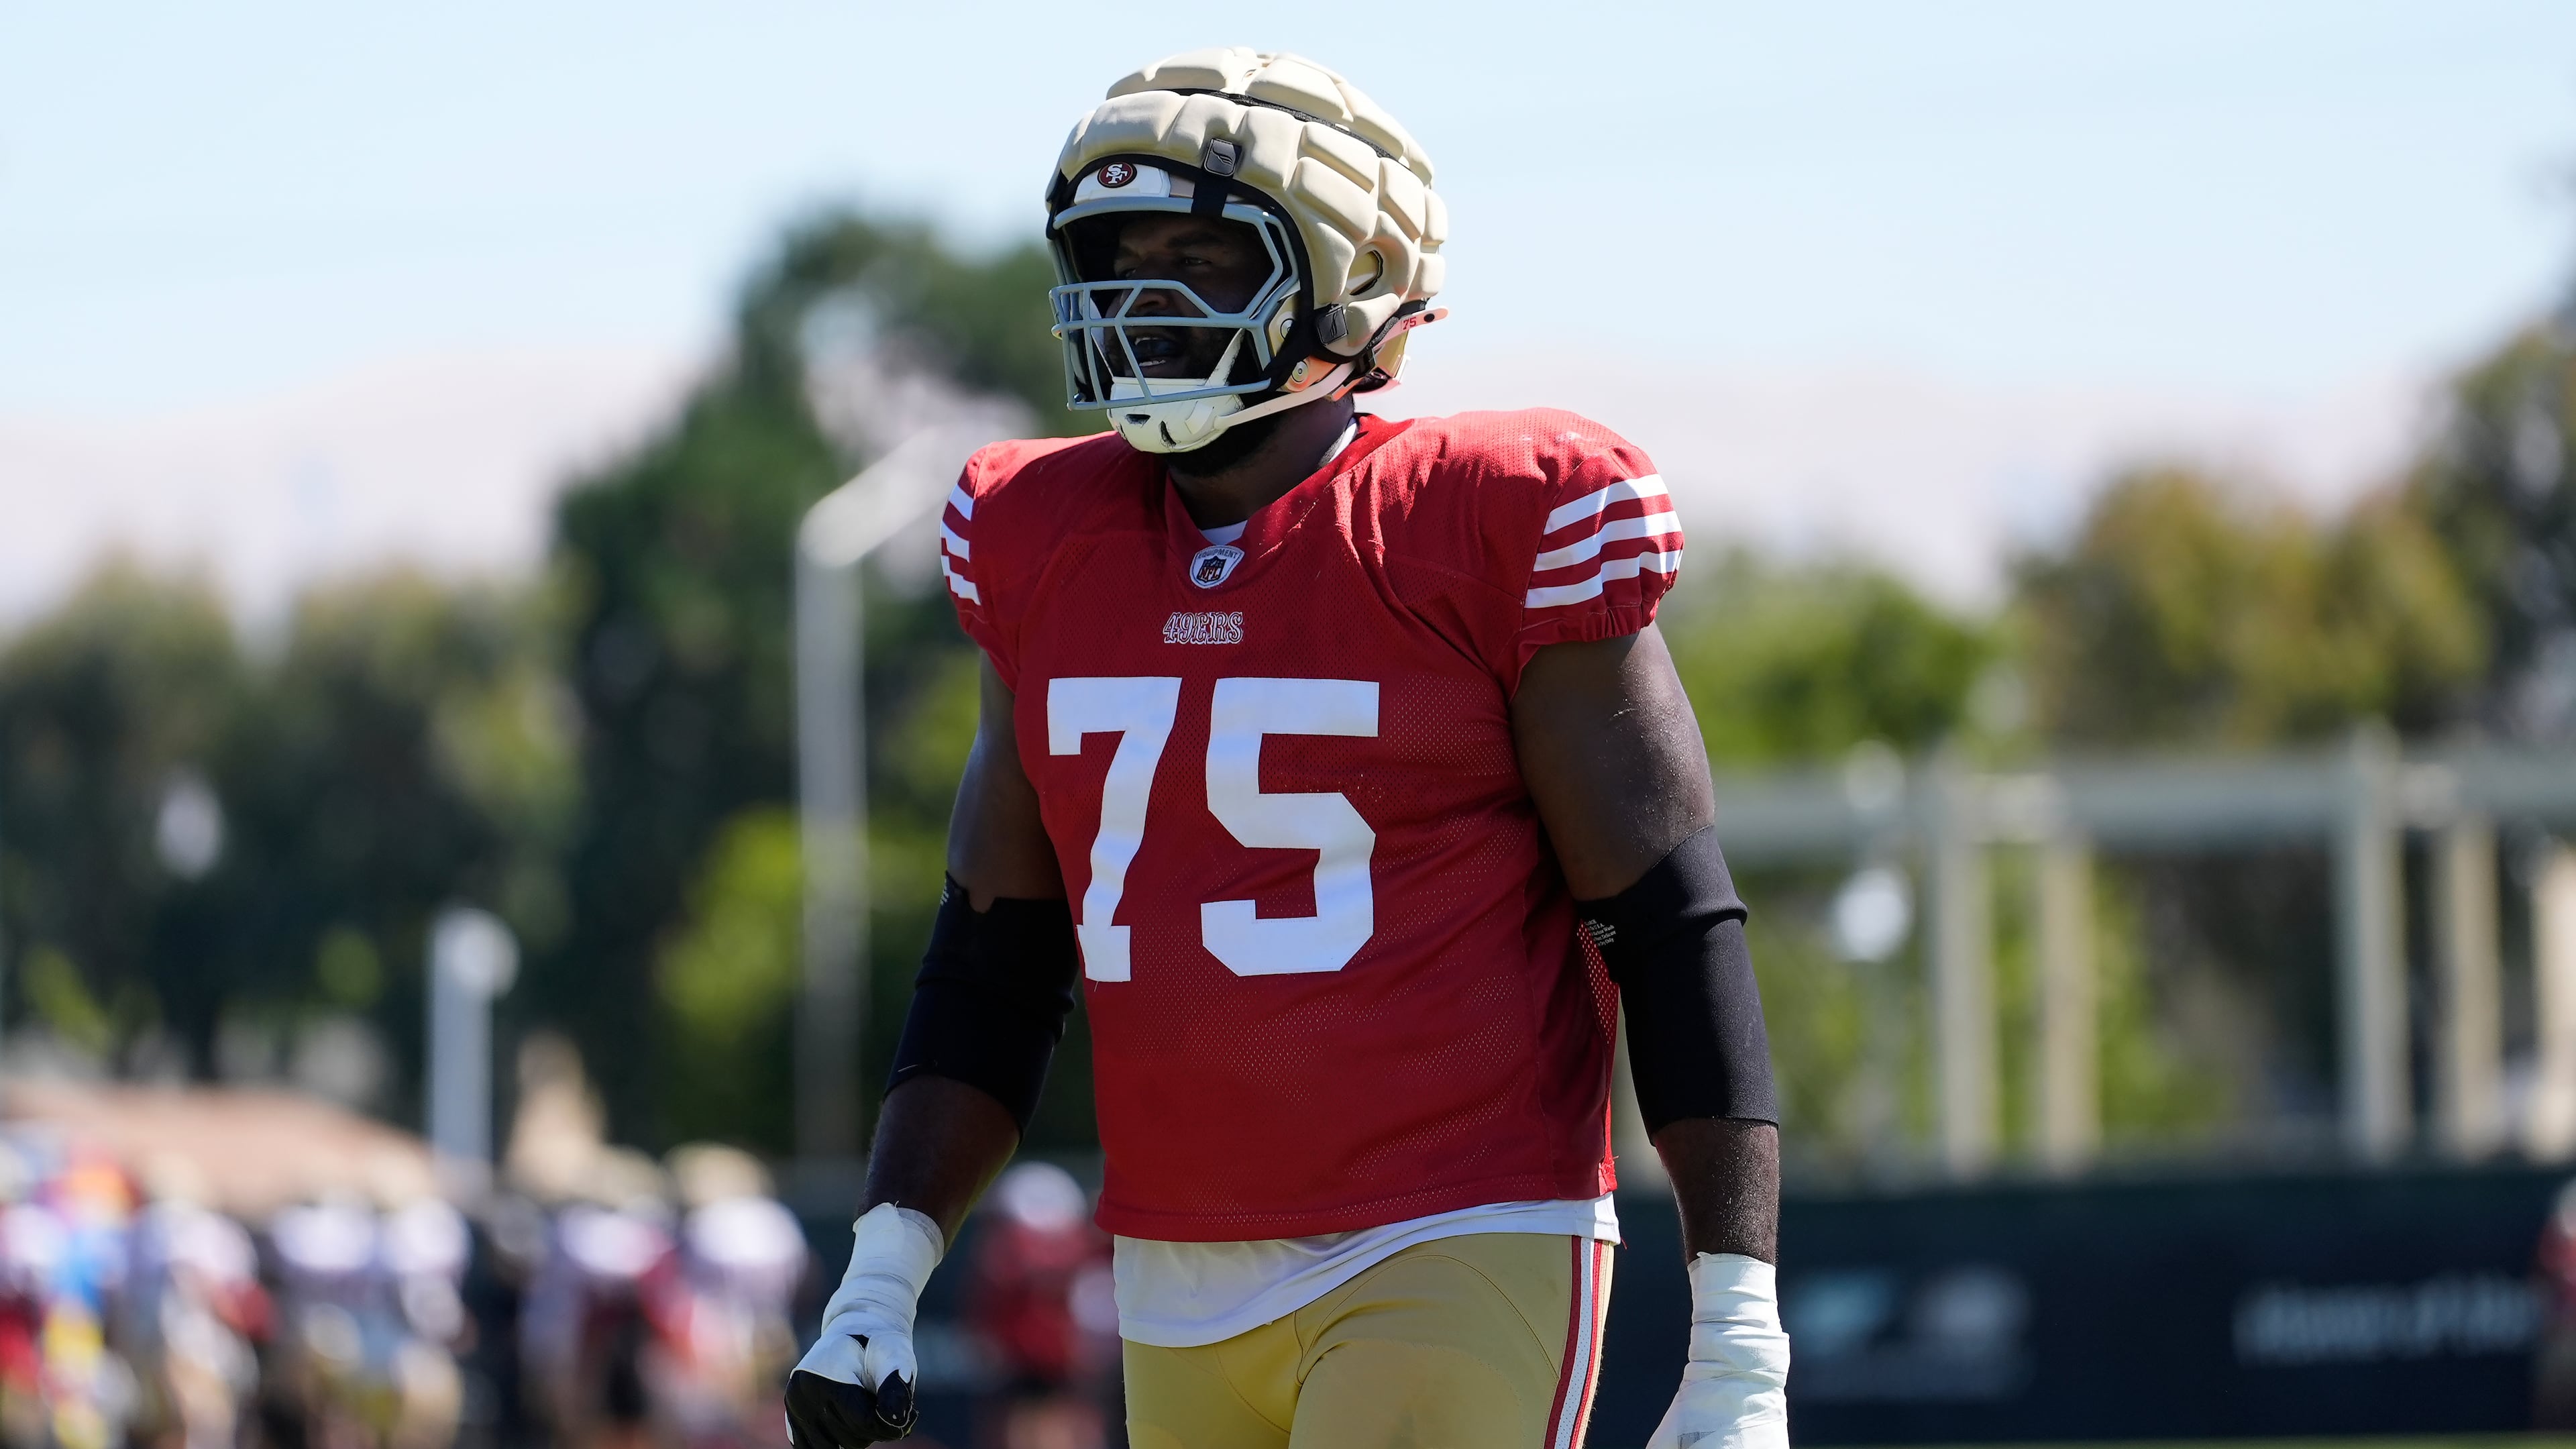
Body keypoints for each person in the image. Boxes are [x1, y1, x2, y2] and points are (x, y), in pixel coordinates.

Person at [785, 48, 1789, 1449]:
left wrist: (1740, 1335)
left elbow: (1671, 924)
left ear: (1348, 277)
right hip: (1176, 1267)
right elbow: (998, 953)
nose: (1139, 297)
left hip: (1452, 1227)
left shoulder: (1489, 523)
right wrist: (882, 1276)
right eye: (1113, 254)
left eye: (1199, 254)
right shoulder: (1040, 540)